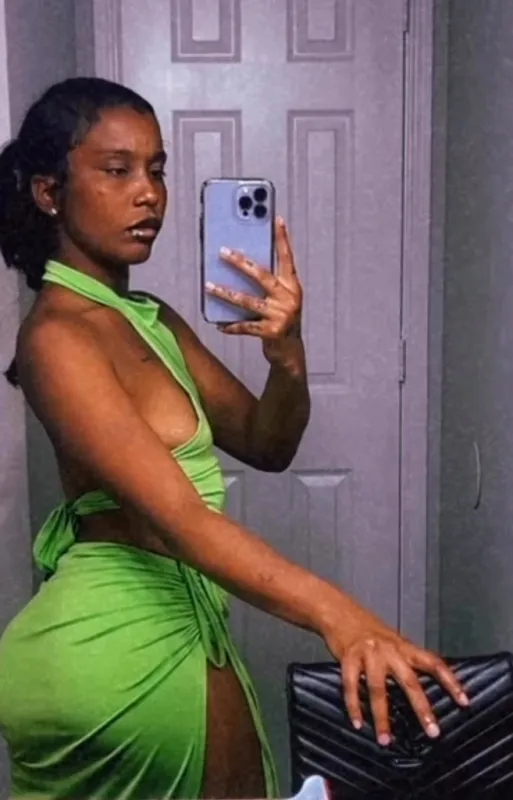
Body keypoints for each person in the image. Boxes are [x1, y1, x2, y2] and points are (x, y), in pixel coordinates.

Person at [0, 77, 468, 800]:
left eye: (156, 170)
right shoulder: (57, 337)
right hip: (112, 646)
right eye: (117, 170)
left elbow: (266, 442)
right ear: (48, 192)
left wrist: (288, 355)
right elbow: (180, 519)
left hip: (181, 621)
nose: (149, 194)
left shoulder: (150, 318)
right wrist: (341, 618)